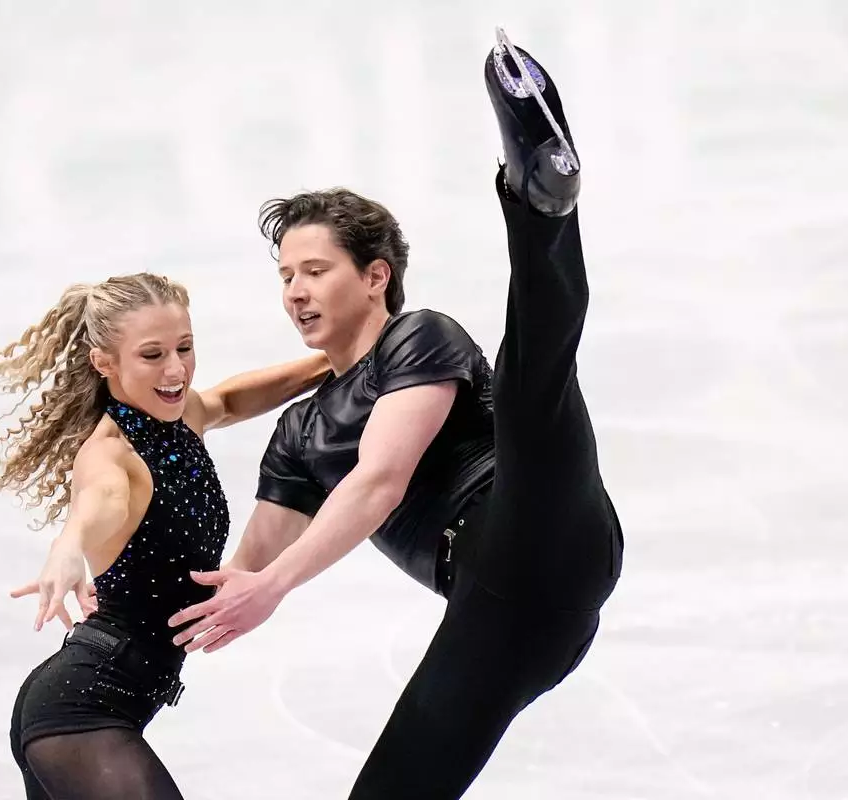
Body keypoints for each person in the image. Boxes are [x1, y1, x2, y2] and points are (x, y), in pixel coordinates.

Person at [167, 30, 625, 797]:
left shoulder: (418, 337)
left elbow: (379, 481)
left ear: (376, 275)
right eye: (285, 277)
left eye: (315, 270)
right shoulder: (300, 434)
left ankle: (539, 199)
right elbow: (239, 571)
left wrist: (275, 586)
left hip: (536, 518)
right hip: (505, 617)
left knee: (532, 380)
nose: (296, 292)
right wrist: (128, 601)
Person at [0, 272, 329, 799]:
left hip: (92, 703)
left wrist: (339, 358)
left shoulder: (179, 414)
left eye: (184, 348)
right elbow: (99, 504)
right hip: (81, 711)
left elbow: (231, 401)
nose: (175, 370)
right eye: (151, 356)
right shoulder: (110, 454)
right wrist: (67, 548)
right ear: (104, 362)